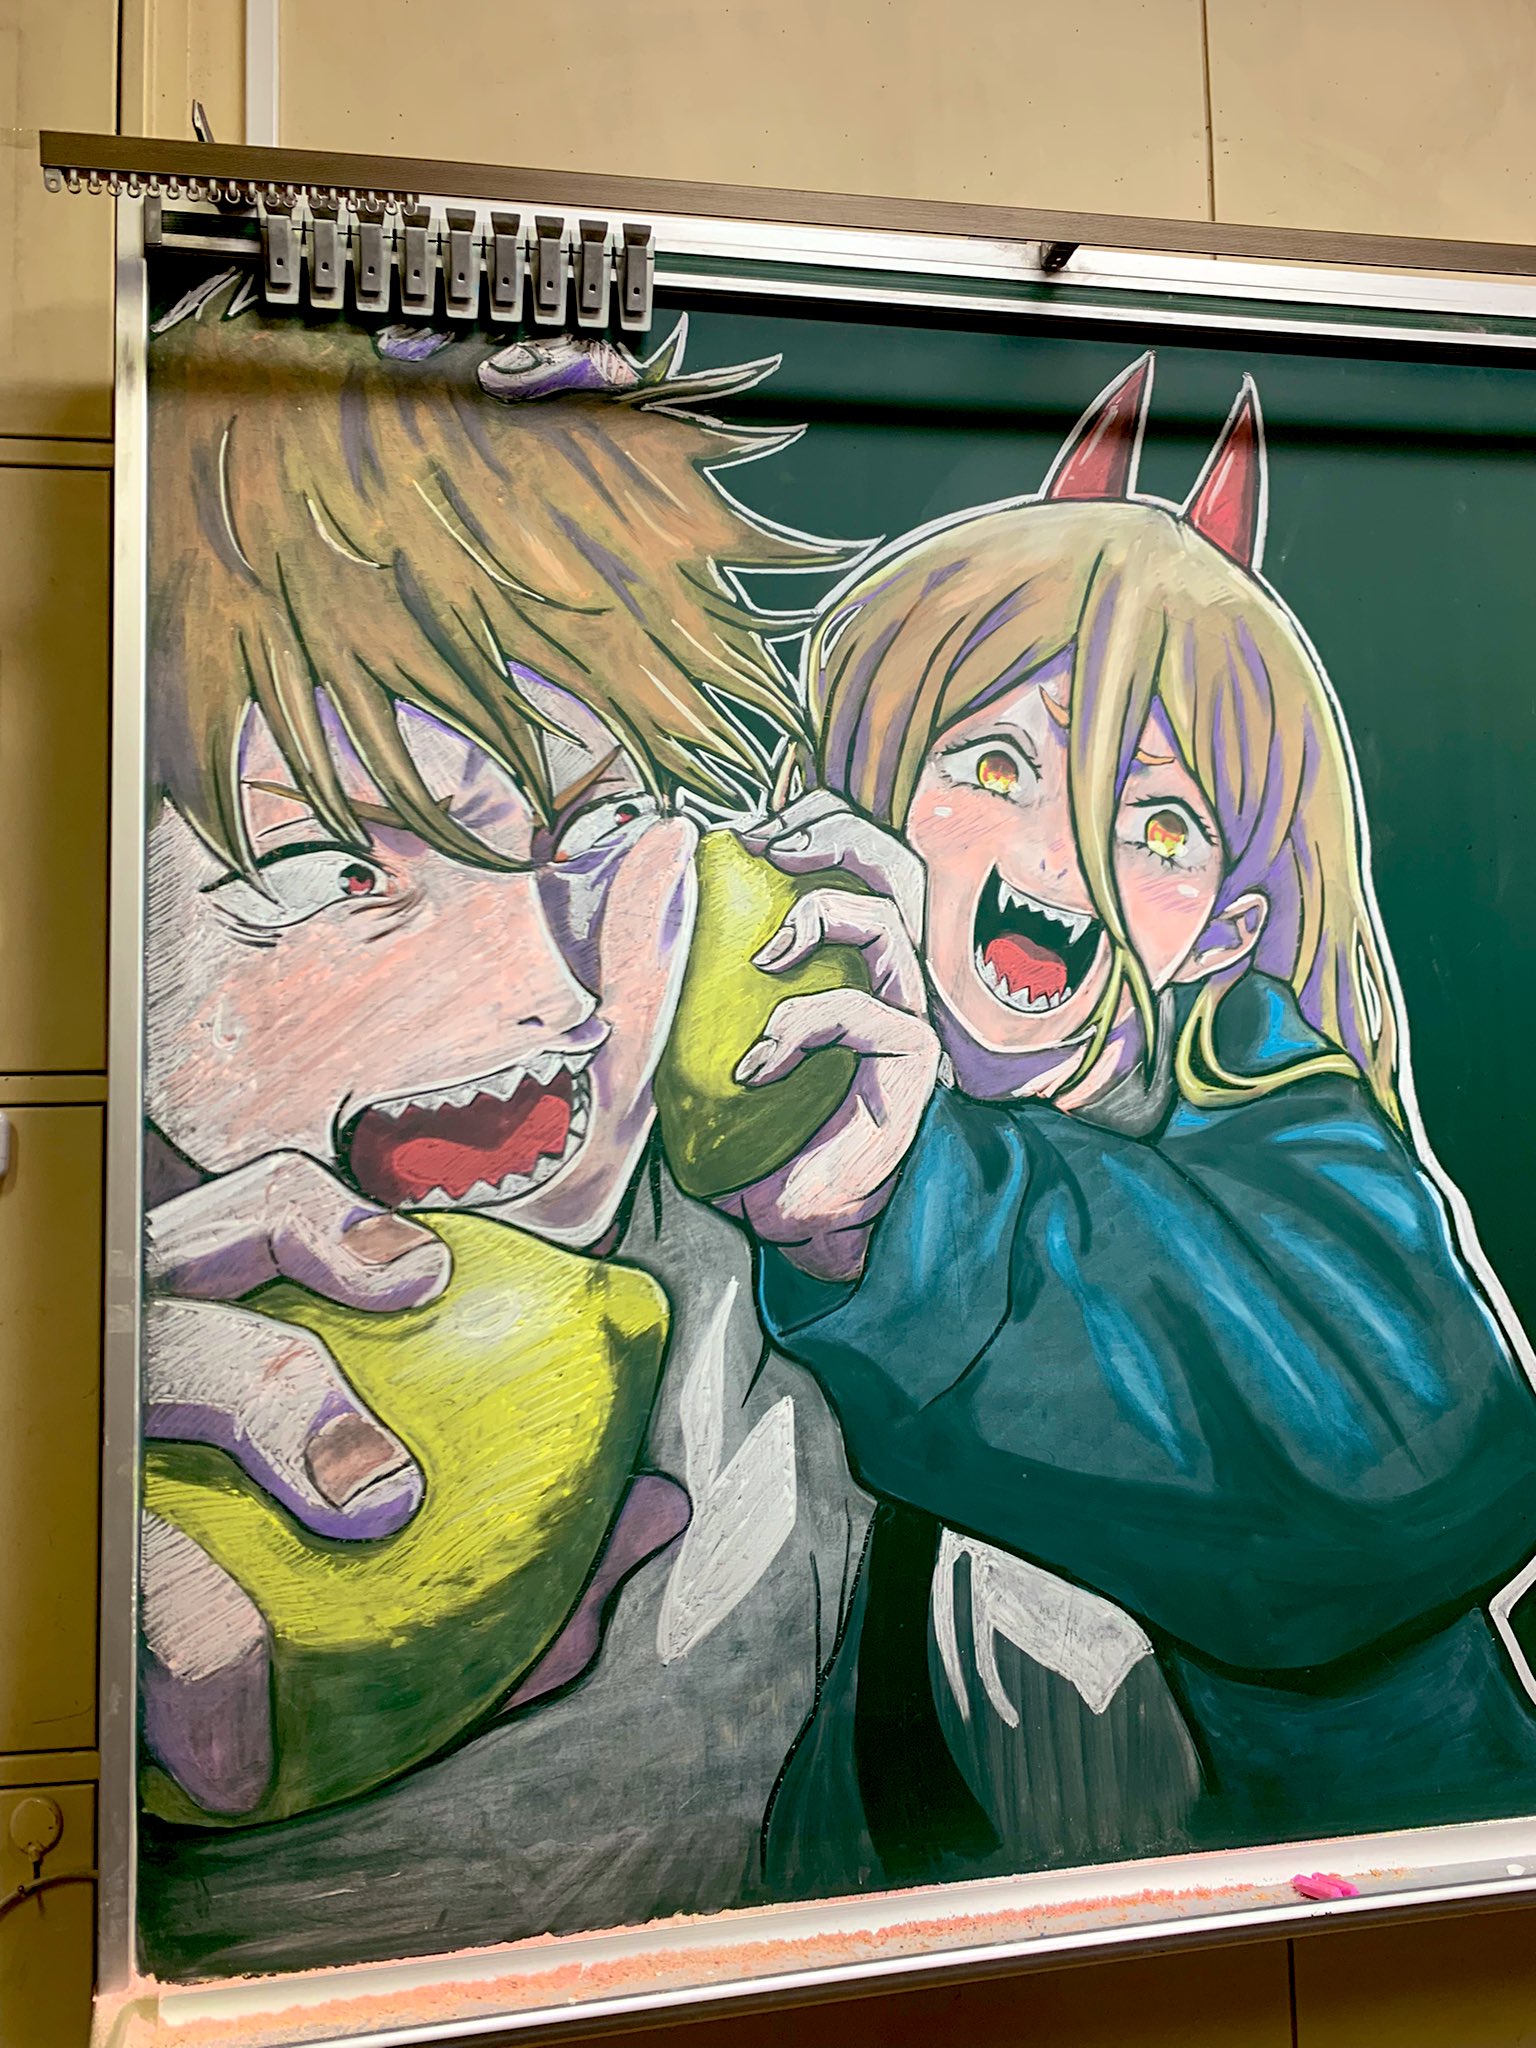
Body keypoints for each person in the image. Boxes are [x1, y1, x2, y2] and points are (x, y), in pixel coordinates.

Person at [134, 280, 874, 1975]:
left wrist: (928, 1237)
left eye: (598, 829)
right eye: (333, 865)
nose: (547, 992)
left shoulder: (755, 1259)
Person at [727, 355, 1536, 1878]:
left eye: (1158, 822)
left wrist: (910, 1207)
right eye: (995, 765)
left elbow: (1398, 1436)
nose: (1065, 856)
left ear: (1223, 930)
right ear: (864, 789)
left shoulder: (1269, 1107)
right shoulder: (751, 1043)